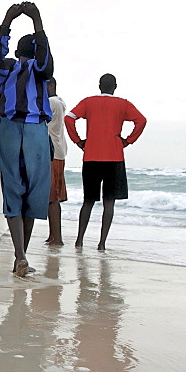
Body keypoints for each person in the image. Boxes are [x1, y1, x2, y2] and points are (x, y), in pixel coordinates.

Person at [0, 2, 54, 277]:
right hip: (36, 131)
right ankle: (21, 257)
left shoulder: (6, 68)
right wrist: (37, 20)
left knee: (13, 189)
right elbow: (46, 61)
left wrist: (8, 20)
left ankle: (20, 255)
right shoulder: (41, 70)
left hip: (9, 128)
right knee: (34, 194)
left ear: (17, 52)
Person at [64, 74, 147, 250]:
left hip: (91, 155)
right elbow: (141, 120)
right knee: (109, 202)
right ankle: (101, 244)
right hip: (114, 156)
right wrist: (128, 140)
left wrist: (78, 141)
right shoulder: (123, 104)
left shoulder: (88, 102)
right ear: (115, 87)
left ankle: (79, 240)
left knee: (88, 201)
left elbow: (69, 118)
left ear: (99, 86)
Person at [44, 78, 68, 246]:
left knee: (52, 196)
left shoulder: (52, 102)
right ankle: (53, 235)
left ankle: (57, 237)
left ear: (50, 86)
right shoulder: (58, 102)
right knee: (50, 196)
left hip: (52, 152)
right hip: (56, 151)